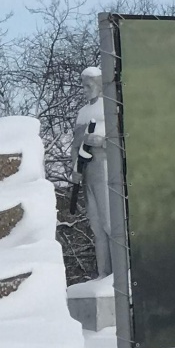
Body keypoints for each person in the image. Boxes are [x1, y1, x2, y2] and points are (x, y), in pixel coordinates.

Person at [72, 66, 113, 279]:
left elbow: (122, 140)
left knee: (109, 223)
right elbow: (75, 145)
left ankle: (120, 274)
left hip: (105, 167)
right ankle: (103, 273)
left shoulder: (110, 107)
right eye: (83, 86)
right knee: (96, 225)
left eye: (88, 86)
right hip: (87, 170)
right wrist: (74, 170)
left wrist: (103, 142)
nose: (85, 90)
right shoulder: (83, 113)